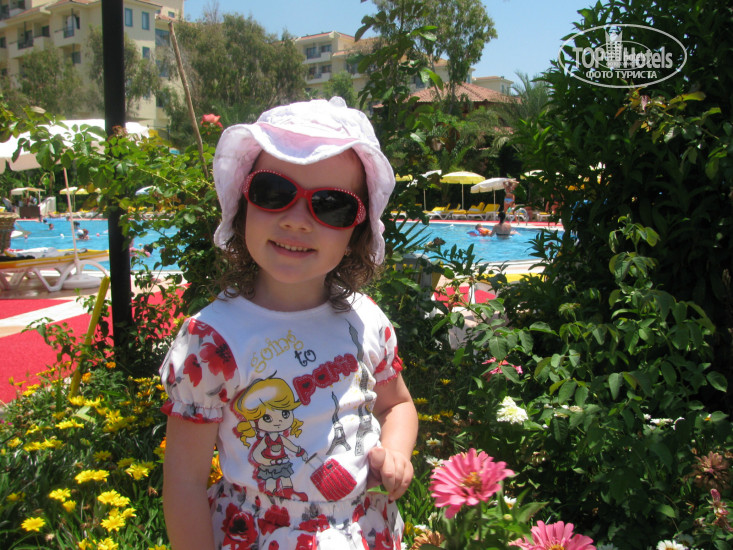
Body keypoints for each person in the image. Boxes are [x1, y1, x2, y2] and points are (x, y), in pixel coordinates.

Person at [160, 97, 418, 550]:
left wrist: (395, 452)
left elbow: (396, 404)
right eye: (274, 192)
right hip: (262, 534)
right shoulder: (213, 342)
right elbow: (184, 481)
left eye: (331, 206)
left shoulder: (365, 321)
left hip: (361, 529)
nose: (297, 221)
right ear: (243, 205)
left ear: (356, 231)